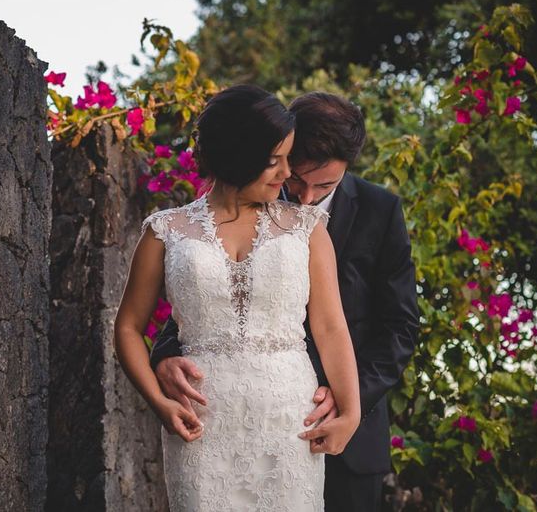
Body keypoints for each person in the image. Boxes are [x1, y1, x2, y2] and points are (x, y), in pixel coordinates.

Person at [150, 91, 420, 511]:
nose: (307, 197)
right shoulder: (246, 197)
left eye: (325, 185)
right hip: (234, 426)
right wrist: (165, 356)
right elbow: (209, 295)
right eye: (297, 180)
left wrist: (349, 398)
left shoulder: (380, 211)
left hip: (347, 438)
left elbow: (400, 325)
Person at [114, 85, 361, 510]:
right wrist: (157, 400)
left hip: (288, 421)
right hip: (202, 424)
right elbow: (128, 327)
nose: (287, 175)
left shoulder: (307, 228)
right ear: (237, 156)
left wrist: (351, 413)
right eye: (274, 162)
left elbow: (330, 325)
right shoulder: (166, 230)